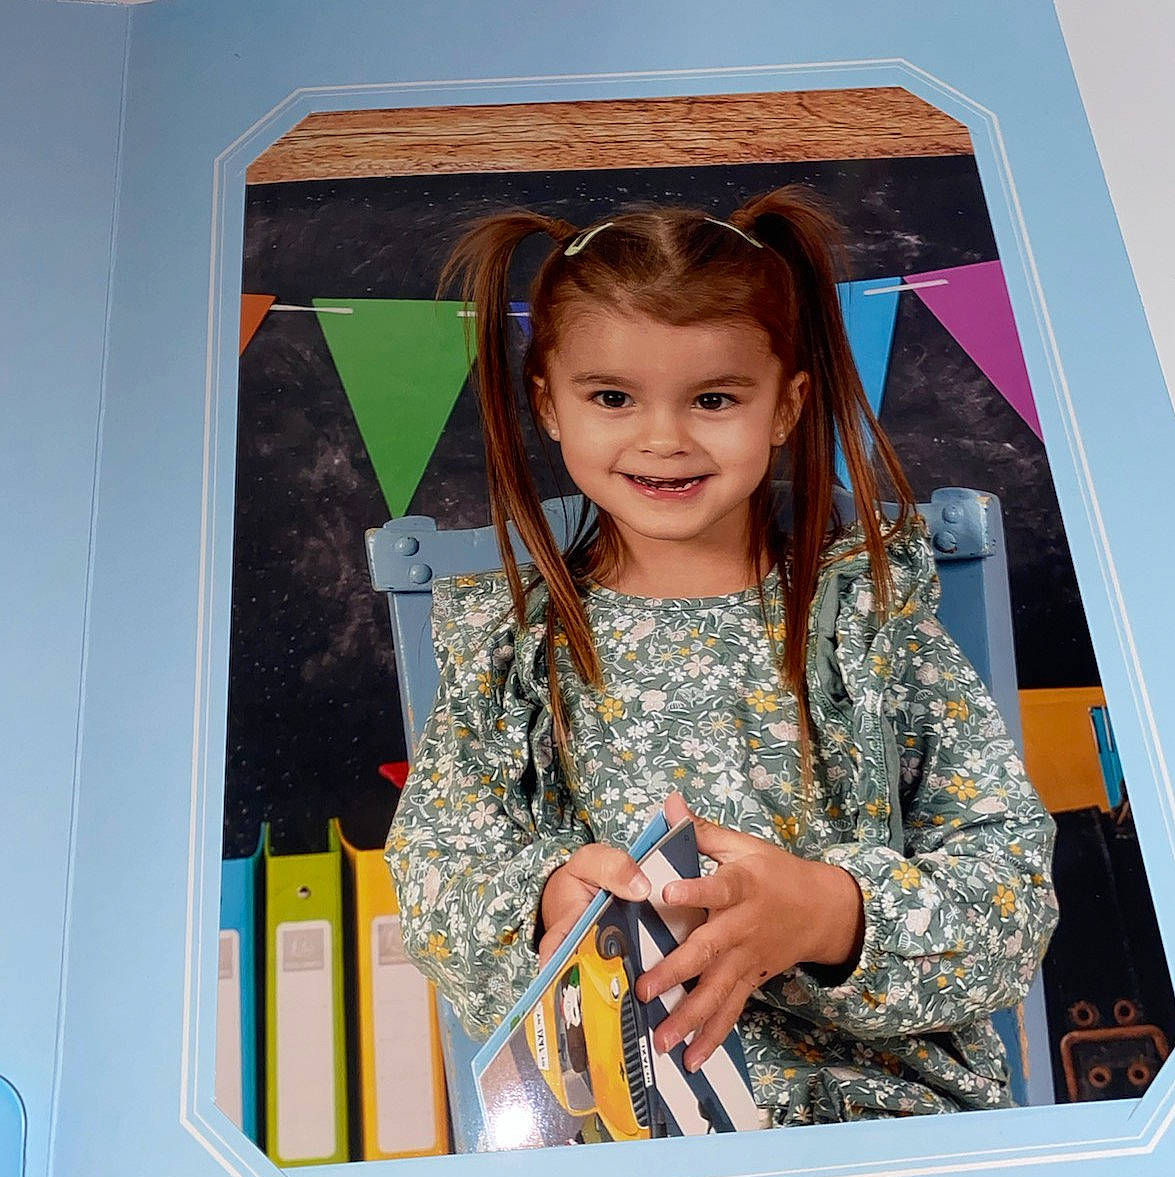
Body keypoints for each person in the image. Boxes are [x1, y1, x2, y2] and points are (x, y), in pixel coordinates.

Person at [384, 186, 1058, 1127]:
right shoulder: (510, 650)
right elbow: (434, 871)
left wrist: (829, 913)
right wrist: (545, 899)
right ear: (548, 406)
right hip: (622, 1132)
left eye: (712, 398)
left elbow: (1012, 889)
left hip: (877, 1122)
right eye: (612, 397)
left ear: (784, 408)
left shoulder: (866, 621)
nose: (663, 437)